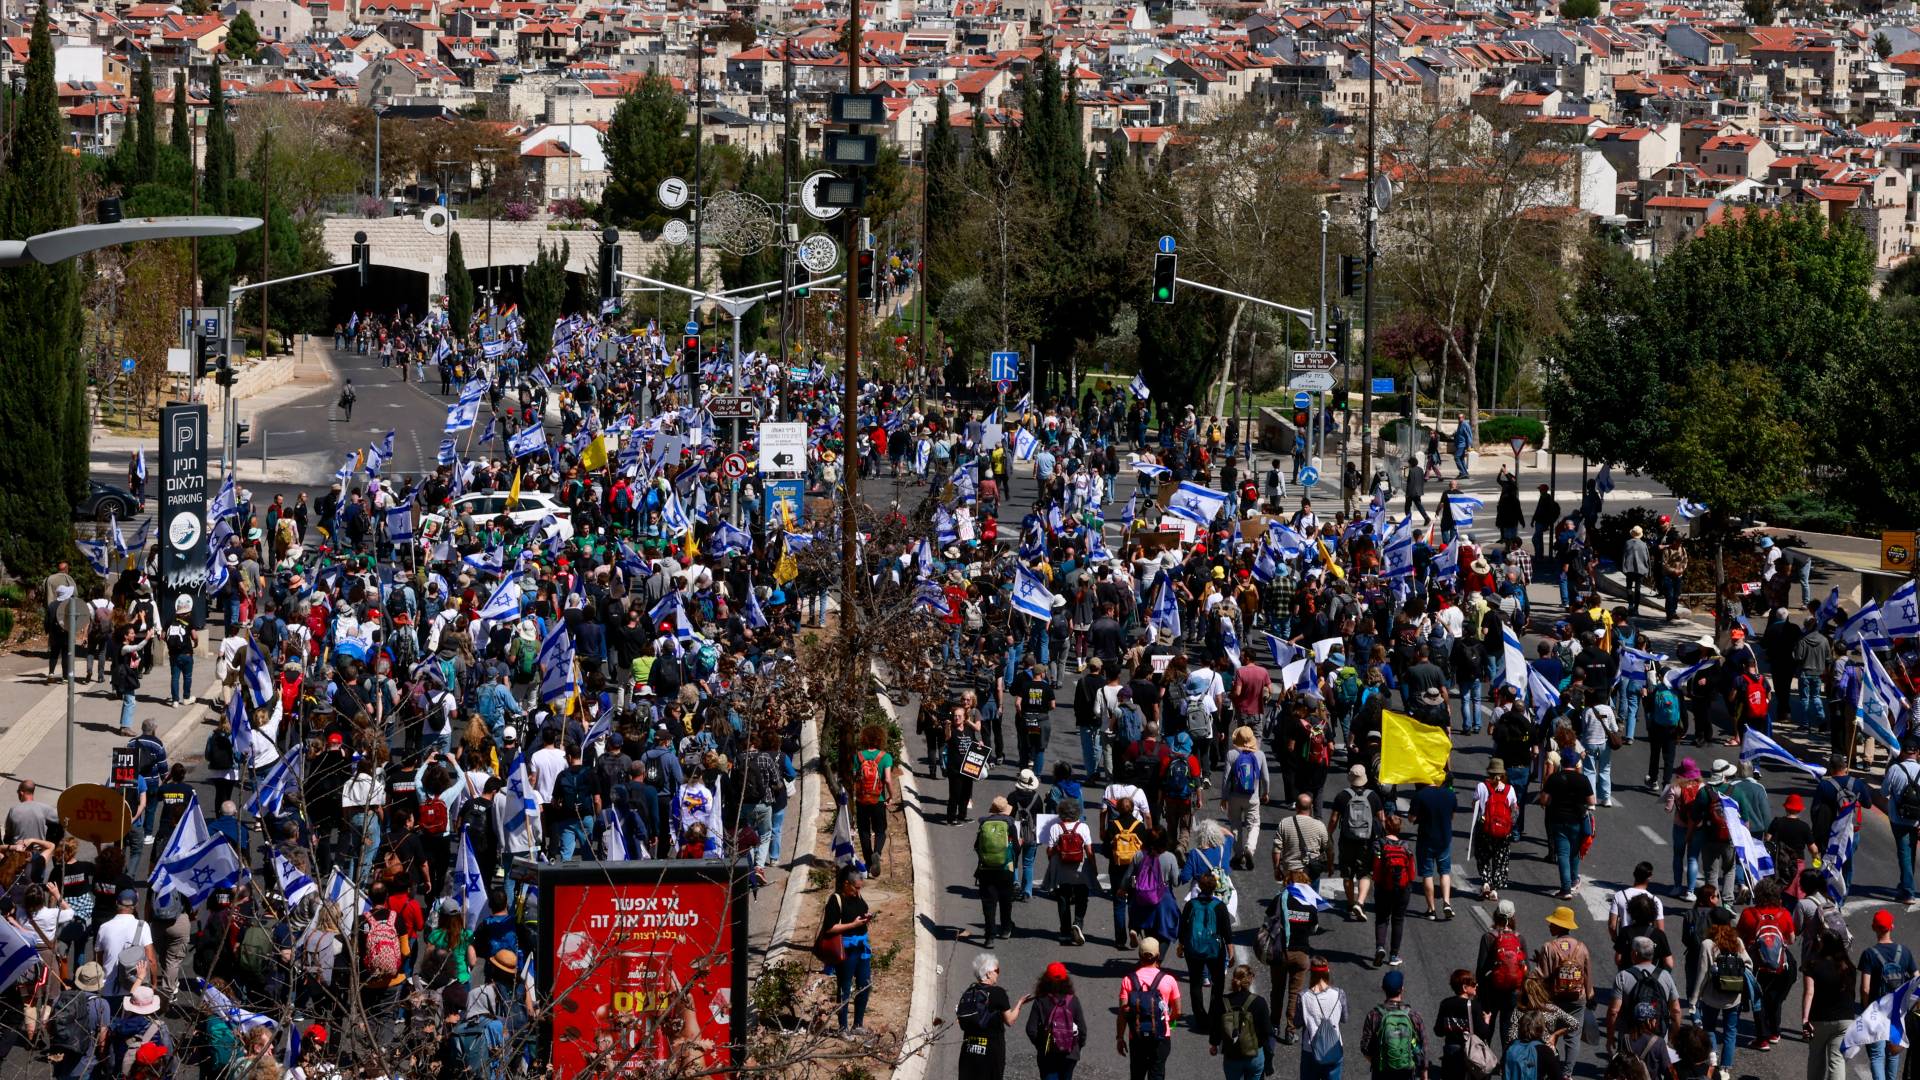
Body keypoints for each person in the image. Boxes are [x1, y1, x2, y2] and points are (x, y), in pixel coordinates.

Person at [1736, 876, 1796, 1052]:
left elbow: (1738, 936)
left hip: (1757, 966)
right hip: (1780, 965)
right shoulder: (1783, 913)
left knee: (1758, 999)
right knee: (1775, 999)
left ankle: (1762, 1039)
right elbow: (1791, 939)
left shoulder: (1749, 914)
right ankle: (1775, 1032)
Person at [956, 951, 1030, 1080]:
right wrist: (1020, 1004)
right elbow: (1010, 1020)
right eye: (997, 970)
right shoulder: (998, 993)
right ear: (988, 973)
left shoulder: (969, 992)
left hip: (969, 1051)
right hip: (991, 1051)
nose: (998, 974)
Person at [1116, 937, 1182, 1080]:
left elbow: (1122, 1013)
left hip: (1137, 1036)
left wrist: (1120, 1037)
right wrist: (1169, 1023)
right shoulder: (1168, 980)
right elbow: (1178, 1010)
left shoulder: (1128, 980)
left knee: (1137, 1075)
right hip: (1161, 1037)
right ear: (1158, 955)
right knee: (1157, 1074)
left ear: (1139, 955)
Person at [1689, 922, 1748, 1080]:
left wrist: (1694, 999)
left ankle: (1713, 1059)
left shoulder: (1708, 944)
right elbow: (1748, 964)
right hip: (1734, 996)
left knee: (1709, 1027)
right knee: (1731, 1032)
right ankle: (1725, 1069)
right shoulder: (1738, 941)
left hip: (1711, 995)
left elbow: (1703, 973)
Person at [1857, 910, 1911, 1080]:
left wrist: (1866, 1009)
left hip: (1877, 1010)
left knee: (1877, 1055)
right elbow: (1917, 978)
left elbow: (1865, 988)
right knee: (1894, 1053)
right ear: (1892, 927)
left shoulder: (1869, 954)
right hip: (1897, 1010)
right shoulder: (1904, 952)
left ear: (1874, 927)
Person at [820, 866, 873, 1033]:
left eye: (860, 887)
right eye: (856, 887)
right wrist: (853, 925)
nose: (858, 891)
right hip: (847, 948)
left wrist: (865, 919)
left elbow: (860, 910)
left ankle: (858, 1024)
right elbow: (829, 928)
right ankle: (843, 1027)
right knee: (845, 987)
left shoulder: (857, 896)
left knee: (864, 984)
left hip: (861, 948)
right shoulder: (836, 900)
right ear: (846, 884)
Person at [1800, 928, 1856, 1080]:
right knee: (1837, 1060)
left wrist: (1805, 1019)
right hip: (1845, 1019)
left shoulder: (1812, 964)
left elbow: (1809, 993)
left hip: (1819, 1019)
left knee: (1816, 1058)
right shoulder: (1849, 967)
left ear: (1822, 944)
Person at [1607, 937, 1681, 1050]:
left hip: (1630, 1038)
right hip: (1658, 1038)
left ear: (1635, 953)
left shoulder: (1623, 976)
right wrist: (1675, 1034)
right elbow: (1675, 1010)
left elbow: (1614, 1011)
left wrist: (1610, 1036)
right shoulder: (1665, 976)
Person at [1332, 764, 1384, 921]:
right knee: (1365, 872)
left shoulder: (1342, 796)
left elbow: (1334, 819)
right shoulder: (1373, 796)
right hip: (1366, 841)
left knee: (1347, 874)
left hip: (1347, 840)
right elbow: (1382, 818)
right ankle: (1360, 902)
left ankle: (1350, 903)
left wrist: (1328, 835)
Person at [1540, 754, 1594, 900]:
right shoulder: (1582, 779)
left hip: (1557, 820)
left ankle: (1565, 888)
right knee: (1575, 852)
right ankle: (1574, 880)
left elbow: (1544, 800)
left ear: (1562, 762)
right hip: (1577, 821)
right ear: (1576, 763)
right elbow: (1592, 800)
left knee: (1563, 854)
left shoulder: (1554, 778)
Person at [1360, 969, 1428, 1080]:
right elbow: (1423, 1046)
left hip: (1381, 1073)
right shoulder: (1413, 1016)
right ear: (1402, 989)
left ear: (1383, 989)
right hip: (1406, 1072)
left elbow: (1365, 1047)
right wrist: (1424, 1072)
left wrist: (1378, 1062)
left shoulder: (1373, 1015)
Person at [1210, 964, 1273, 1080]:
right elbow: (1267, 1031)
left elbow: (1215, 1027)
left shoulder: (1222, 1002)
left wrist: (1214, 1044)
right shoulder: (1259, 1002)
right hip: (1254, 1055)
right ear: (1250, 980)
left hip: (1232, 1055)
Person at [1476, 899, 1528, 1041]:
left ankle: (1485, 1059)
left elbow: (1481, 968)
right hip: (1512, 990)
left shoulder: (1488, 937)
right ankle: (1507, 1060)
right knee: (1508, 1027)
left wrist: (1479, 992)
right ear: (1512, 917)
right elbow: (1525, 968)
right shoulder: (1519, 938)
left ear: (1496, 915)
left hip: (1491, 989)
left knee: (1488, 1025)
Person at [1026, 962, 1087, 1080]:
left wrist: (1041, 1045)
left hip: (1048, 1054)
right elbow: (1082, 1030)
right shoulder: (1073, 1000)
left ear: (1045, 980)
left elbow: (1031, 1029)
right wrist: (1077, 1046)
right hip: (1070, 1054)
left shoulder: (1041, 1001)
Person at [1409, 777, 1458, 920]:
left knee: (1427, 874)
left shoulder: (1420, 795)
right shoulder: (1450, 794)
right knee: (1445, 872)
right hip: (1444, 839)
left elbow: (1411, 818)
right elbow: (1452, 816)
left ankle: (1431, 910)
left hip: (1426, 839)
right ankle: (1447, 902)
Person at [973, 795, 1019, 946]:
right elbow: (1017, 848)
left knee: (989, 903)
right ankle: (1005, 929)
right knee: (1006, 901)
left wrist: (986, 857)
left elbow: (976, 846)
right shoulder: (1010, 824)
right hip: (1006, 869)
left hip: (985, 869)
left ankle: (989, 937)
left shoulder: (984, 823)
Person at [1371, 815, 1416, 968]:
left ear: (1386, 827)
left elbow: (1376, 868)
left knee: (1382, 918)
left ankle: (1380, 947)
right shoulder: (1406, 846)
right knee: (1398, 920)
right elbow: (1412, 872)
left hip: (1383, 886)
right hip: (1402, 888)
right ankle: (1394, 955)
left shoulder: (1379, 844)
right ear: (1399, 829)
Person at [1471, 761, 1519, 902]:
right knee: (1500, 859)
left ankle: (1485, 882)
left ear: (1489, 772)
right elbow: (1514, 810)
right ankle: (1495, 890)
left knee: (1483, 855)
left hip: (1485, 828)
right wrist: (1509, 826)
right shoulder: (1510, 789)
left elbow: (1474, 805)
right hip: (1503, 832)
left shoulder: (1481, 786)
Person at [1434, 970, 1494, 1080]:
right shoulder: (1474, 1006)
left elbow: (1438, 1031)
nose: (1476, 985)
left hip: (1450, 1053)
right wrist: (1487, 1020)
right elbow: (1484, 1033)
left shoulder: (1445, 1004)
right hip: (1469, 1053)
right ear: (1465, 988)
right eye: (1473, 984)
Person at [1298, 956, 1348, 1080]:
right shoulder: (1339, 994)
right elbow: (1344, 1018)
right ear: (1327, 972)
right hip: (1334, 1048)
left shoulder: (1302, 997)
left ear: (1312, 973)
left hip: (1310, 1050)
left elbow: (1297, 1022)